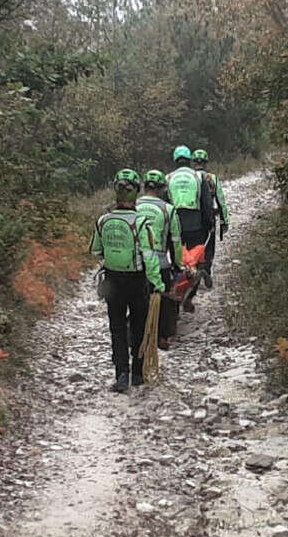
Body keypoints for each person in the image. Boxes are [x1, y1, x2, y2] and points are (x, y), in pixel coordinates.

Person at [89, 169, 163, 392]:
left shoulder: (103, 220)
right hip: (137, 280)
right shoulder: (141, 222)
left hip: (112, 280)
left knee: (117, 327)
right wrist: (158, 283)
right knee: (139, 326)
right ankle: (138, 373)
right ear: (136, 192)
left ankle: (121, 374)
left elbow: (96, 251)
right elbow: (149, 257)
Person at [136, 169, 181, 350]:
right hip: (161, 261)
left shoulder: (134, 206)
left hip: (137, 263)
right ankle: (162, 336)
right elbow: (176, 241)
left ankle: (138, 334)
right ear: (163, 188)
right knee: (165, 299)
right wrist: (177, 264)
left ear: (143, 187)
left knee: (138, 300)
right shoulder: (168, 210)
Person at [165, 145, 211, 312]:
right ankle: (189, 296)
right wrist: (209, 224)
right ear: (189, 160)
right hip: (195, 225)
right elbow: (206, 203)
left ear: (175, 160)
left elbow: (165, 204)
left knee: (175, 261)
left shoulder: (168, 178)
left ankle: (174, 293)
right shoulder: (198, 177)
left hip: (174, 224)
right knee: (194, 261)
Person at [192, 149, 229, 288]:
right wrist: (224, 221)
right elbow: (221, 200)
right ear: (206, 163)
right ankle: (206, 269)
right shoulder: (211, 178)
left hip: (193, 218)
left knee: (193, 244)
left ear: (193, 162)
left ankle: (193, 269)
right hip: (210, 216)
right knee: (209, 246)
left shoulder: (190, 177)